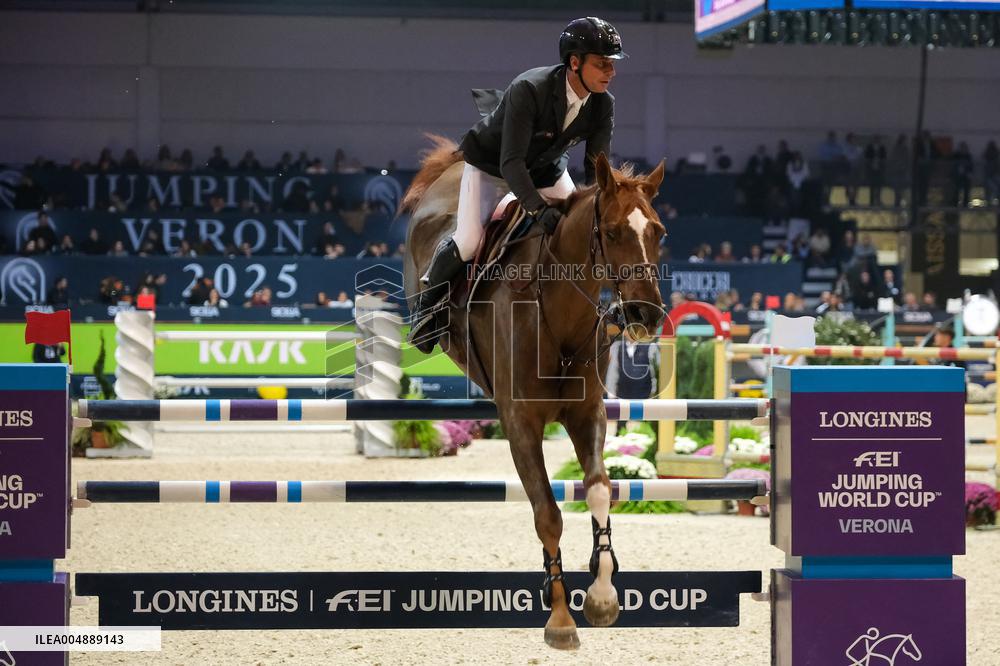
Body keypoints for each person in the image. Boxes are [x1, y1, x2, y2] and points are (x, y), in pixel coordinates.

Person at [408, 17, 627, 349]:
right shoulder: (530, 89)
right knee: (468, 241)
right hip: (492, 167)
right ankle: (427, 309)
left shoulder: (604, 104)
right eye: (602, 63)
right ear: (574, 62)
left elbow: (597, 167)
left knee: (581, 234)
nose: (610, 71)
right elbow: (511, 163)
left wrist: (604, 205)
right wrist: (538, 211)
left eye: (611, 63)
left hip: (547, 170)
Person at [605, 328, 659, 434]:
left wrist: (654, 391)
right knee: (620, 428)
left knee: (644, 427)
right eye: (628, 330)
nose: (630, 333)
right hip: (623, 393)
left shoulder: (651, 347)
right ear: (624, 332)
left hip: (644, 393)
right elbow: (613, 370)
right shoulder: (617, 347)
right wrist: (611, 393)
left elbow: (655, 371)